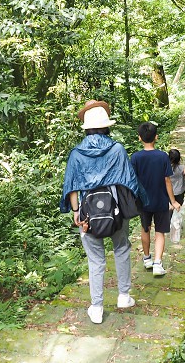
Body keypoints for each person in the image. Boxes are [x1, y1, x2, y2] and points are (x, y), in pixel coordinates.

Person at [60, 100, 146, 324]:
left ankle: (97, 307)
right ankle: (123, 296)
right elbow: (130, 182)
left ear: (86, 128)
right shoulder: (116, 149)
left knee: (96, 260)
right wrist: (140, 203)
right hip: (116, 211)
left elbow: (72, 186)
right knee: (121, 249)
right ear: (107, 126)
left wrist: (76, 211)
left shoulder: (76, 154)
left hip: (88, 214)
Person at [131, 121, 181, 276]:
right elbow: (167, 180)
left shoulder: (135, 157)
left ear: (139, 138)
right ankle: (158, 263)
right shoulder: (162, 157)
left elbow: (132, 179)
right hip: (160, 200)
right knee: (160, 231)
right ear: (156, 137)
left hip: (143, 201)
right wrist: (172, 201)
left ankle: (147, 258)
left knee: (145, 229)